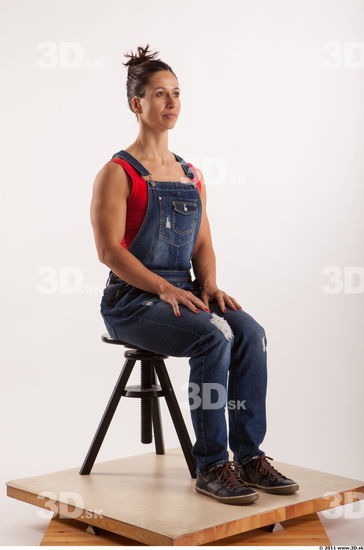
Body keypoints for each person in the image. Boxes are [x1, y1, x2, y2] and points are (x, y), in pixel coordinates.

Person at [90, 44, 299, 505]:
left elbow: (202, 243)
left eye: (177, 94)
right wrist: (164, 287)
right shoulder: (117, 172)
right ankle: (210, 466)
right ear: (136, 104)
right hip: (131, 301)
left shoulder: (191, 173)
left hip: (184, 293)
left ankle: (249, 455)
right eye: (160, 95)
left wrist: (209, 287)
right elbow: (109, 251)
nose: (171, 104)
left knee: (250, 332)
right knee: (213, 338)